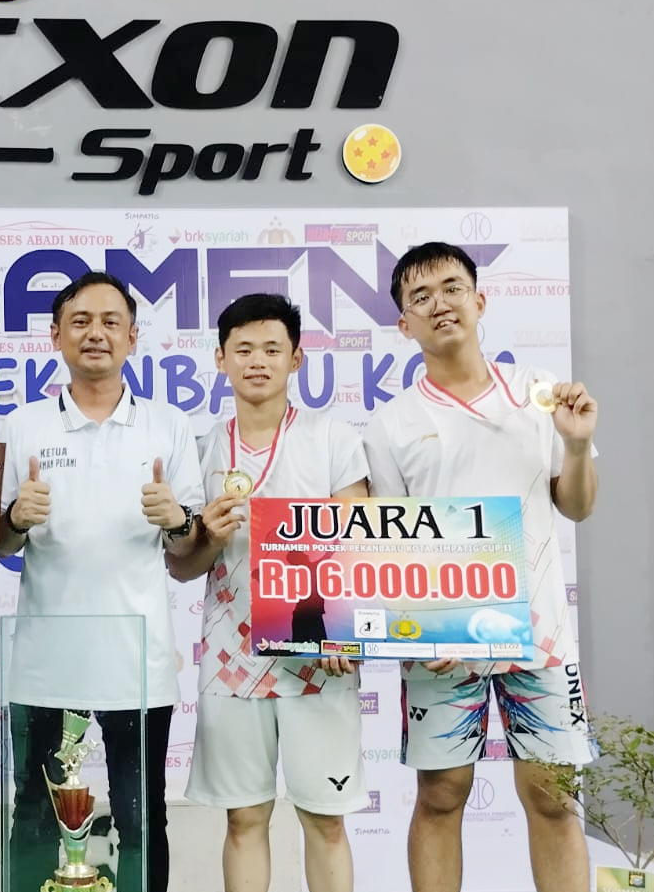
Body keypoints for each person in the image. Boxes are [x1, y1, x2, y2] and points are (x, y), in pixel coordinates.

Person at [361, 242, 599, 892]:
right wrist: (422, 627)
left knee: (554, 796)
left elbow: (577, 504)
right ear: (403, 323)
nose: (439, 303)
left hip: (540, 632)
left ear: (480, 300)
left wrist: (577, 446)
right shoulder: (390, 424)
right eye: (420, 296)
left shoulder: (540, 394)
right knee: (441, 795)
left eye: (451, 287)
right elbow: (389, 547)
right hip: (442, 639)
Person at [0, 272, 207, 892]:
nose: (96, 333)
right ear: (55, 335)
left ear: (133, 338)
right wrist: (16, 518)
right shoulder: (24, 425)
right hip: (45, 665)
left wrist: (177, 519)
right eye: (80, 321)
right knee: (34, 816)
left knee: (142, 820)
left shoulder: (168, 425)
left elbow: (187, 549)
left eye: (111, 321)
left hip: (136, 665)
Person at [167, 294, 370, 892]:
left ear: (296, 359)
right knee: (244, 819)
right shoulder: (203, 449)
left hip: (319, 654)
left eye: (272, 349)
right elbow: (183, 567)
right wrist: (208, 535)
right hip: (232, 657)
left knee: (326, 821)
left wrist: (344, 632)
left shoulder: (332, 438)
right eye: (244, 349)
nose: (258, 361)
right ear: (220, 359)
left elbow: (359, 546)